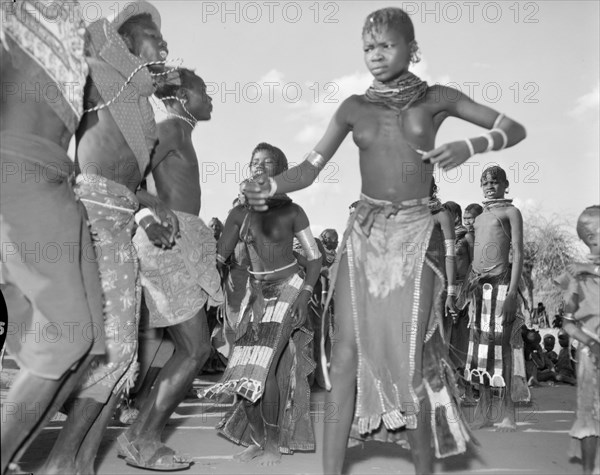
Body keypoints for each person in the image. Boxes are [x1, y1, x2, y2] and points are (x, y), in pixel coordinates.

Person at [242, 7, 526, 473]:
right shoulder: (354, 106)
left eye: (386, 46)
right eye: (368, 48)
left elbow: (510, 128)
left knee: (407, 363)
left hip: (415, 238)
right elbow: (310, 168)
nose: (376, 56)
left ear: (412, 49)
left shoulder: (438, 97)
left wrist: (469, 146)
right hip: (365, 236)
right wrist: (273, 186)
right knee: (348, 355)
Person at [39, 3, 176, 473]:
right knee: (103, 349)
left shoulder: (141, 109)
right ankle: (61, 460)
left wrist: (150, 203)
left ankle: (74, 463)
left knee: (121, 356)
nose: (164, 48)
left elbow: (125, 178)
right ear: (132, 40)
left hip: (118, 217)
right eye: (157, 39)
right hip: (88, 213)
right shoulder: (98, 73)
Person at [0, 2, 105, 473]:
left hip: (60, 184)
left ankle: (16, 457)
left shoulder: (77, 28)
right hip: (16, 164)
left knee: (88, 349)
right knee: (68, 335)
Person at [120, 69, 224, 470]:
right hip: (166, 241)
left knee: (191, 348)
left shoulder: (182, 132)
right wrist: (150, 214)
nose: (210, 99)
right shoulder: (170, 129)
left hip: (181, 240)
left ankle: (138, 435)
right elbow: (123, 176)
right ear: (182, 96)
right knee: (195, 348)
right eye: (205, 92)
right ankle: (142, 438)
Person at [204, 143, 322, 465]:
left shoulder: (293, 212)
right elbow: (218, 257)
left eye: (266, 163)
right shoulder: (239, 213)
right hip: (255, 296)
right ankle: (257, 439)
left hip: (289, 290)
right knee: (241, 373)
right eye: (254, 161)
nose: (258, 166)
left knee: (262, 370)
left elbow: (315, 258)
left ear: (280, 171)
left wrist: (306, 294)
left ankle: (272, 443)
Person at [462, 166, 530, 432]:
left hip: (501, 285)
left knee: (501, 348)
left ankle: (508, 413)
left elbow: (519, 254)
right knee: (479, 350)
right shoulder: (479, 218)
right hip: (479, 289)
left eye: (494, 181)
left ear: (505, 184)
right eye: (484, 183)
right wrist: (466, 291)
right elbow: (474, 259)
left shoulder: (511, 212)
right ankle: (484, 410)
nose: (489, 186)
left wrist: (513, 292)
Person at [554, 205, 600, 474]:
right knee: (588, 415)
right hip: (591, 351)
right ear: (588, 237)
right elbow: (568, 322)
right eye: (590, 232)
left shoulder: (584, 270)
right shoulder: (573, 275)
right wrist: (592, 343)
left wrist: (590, 269)